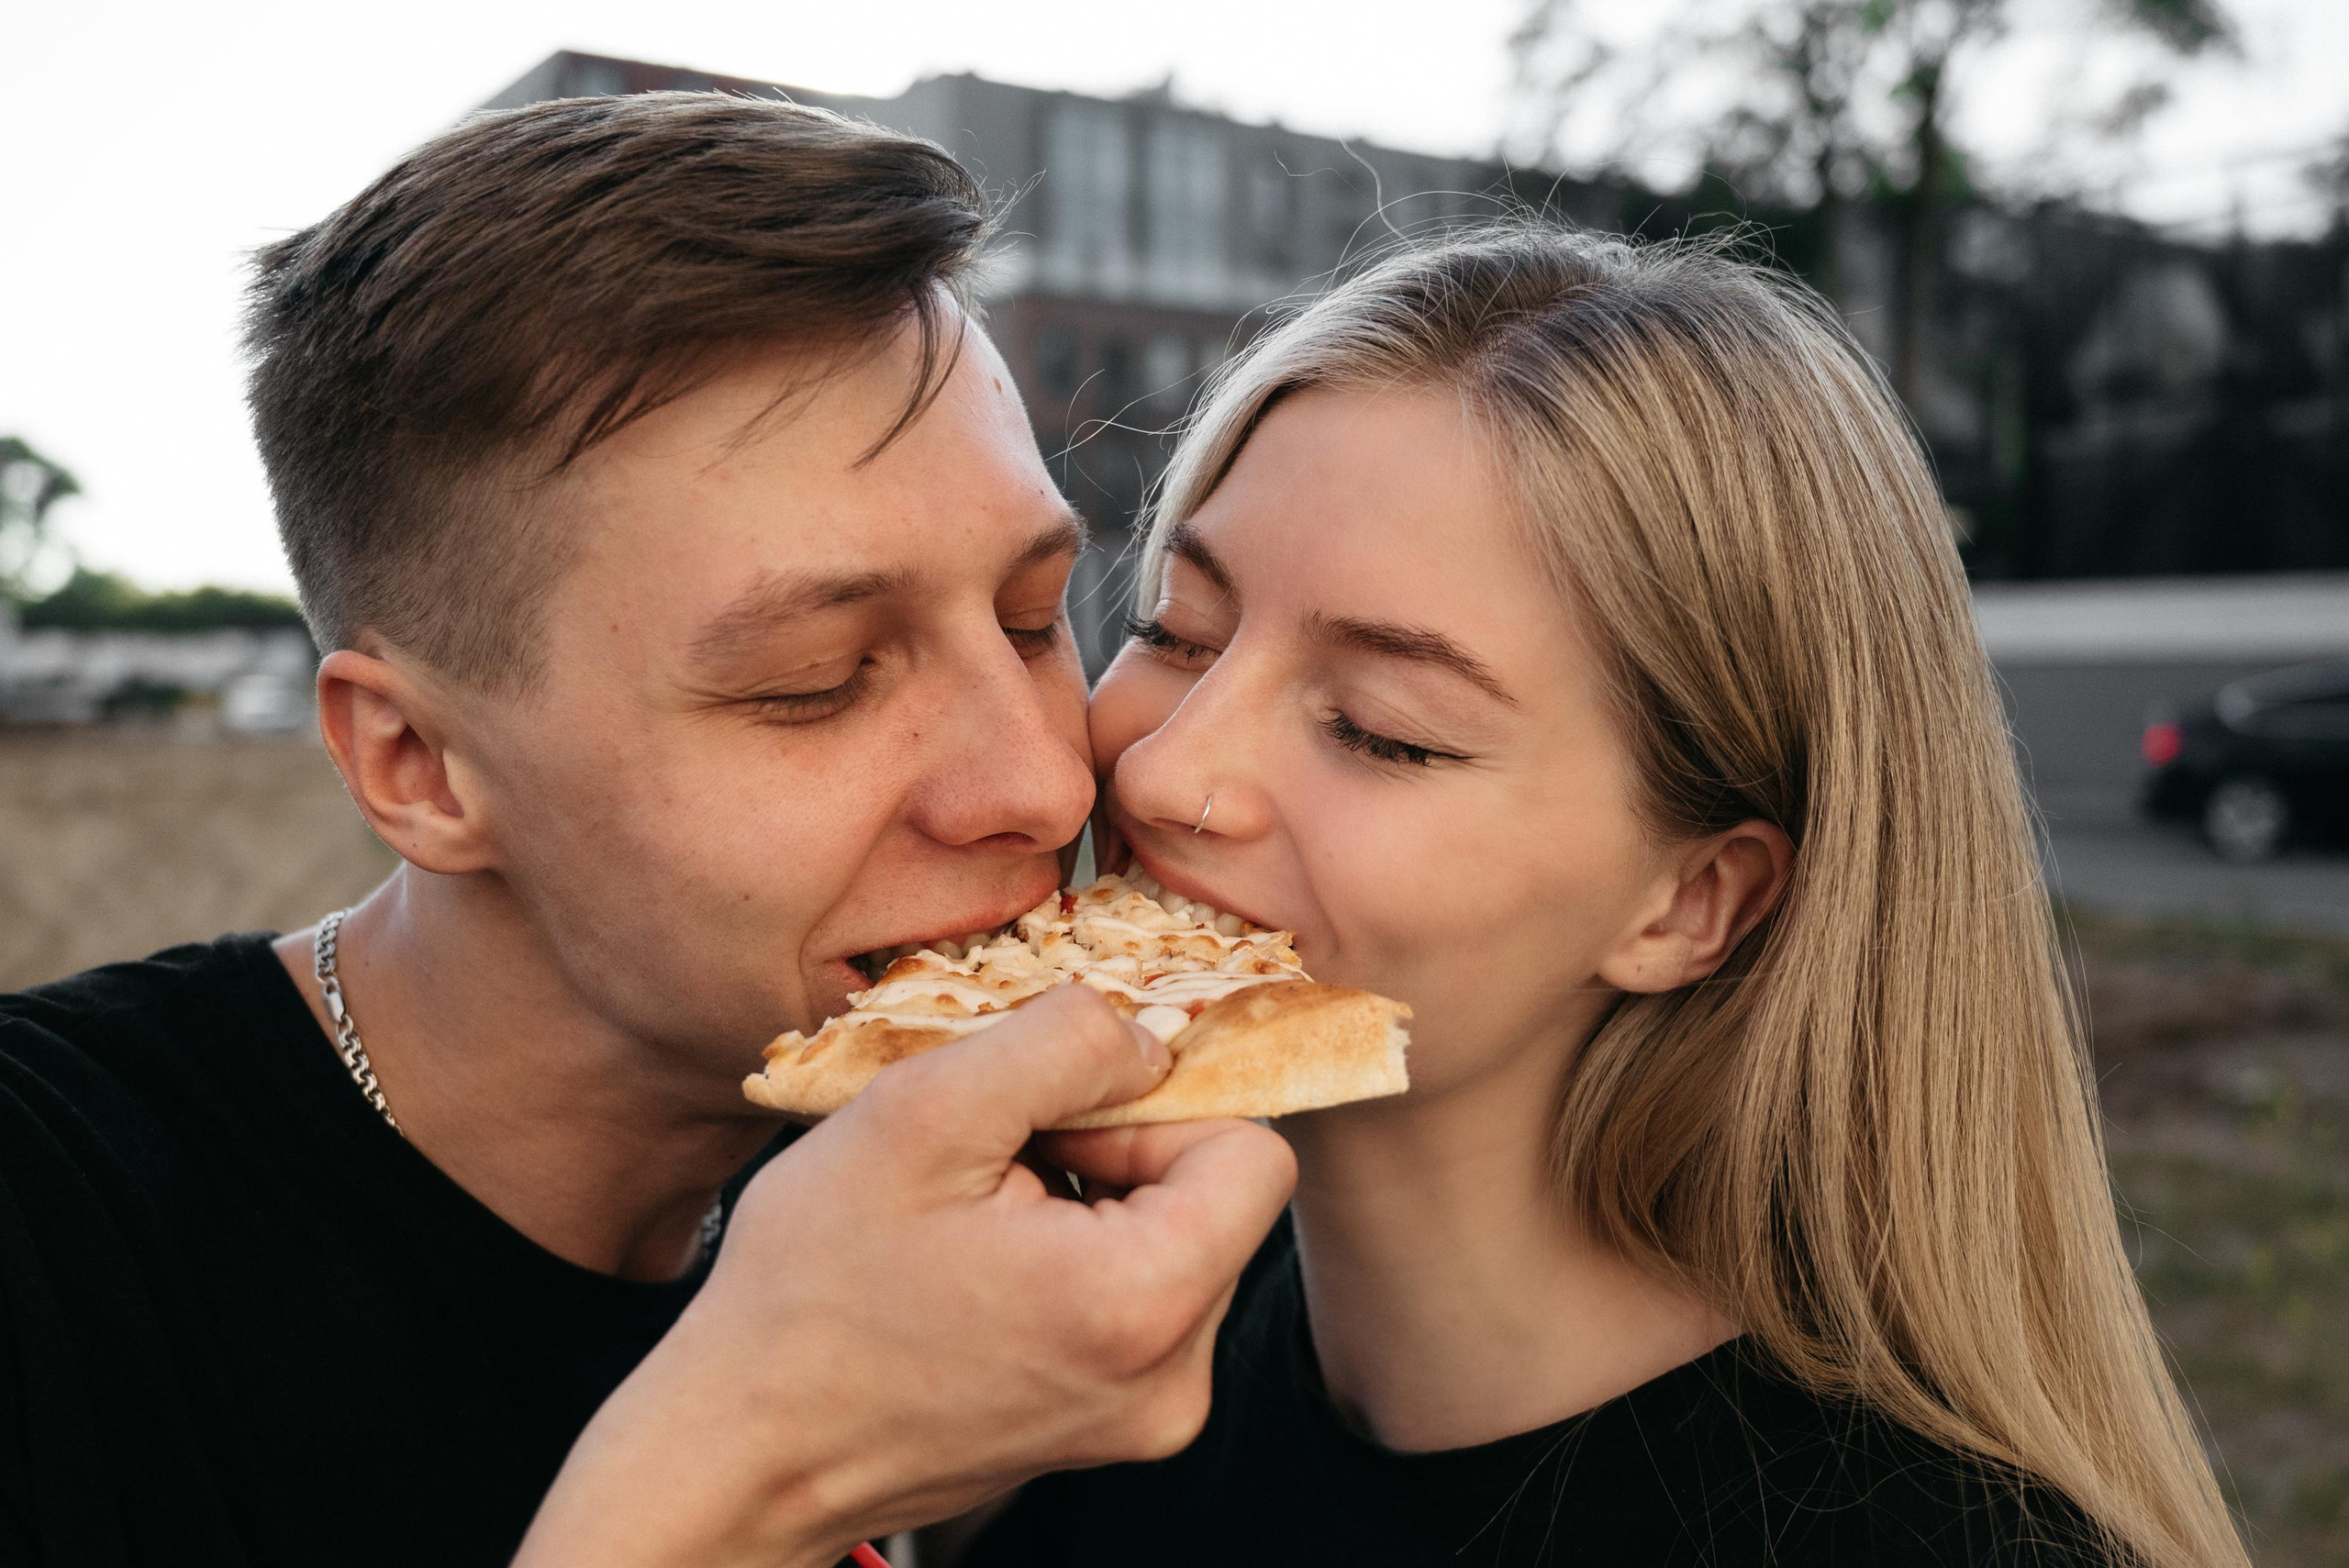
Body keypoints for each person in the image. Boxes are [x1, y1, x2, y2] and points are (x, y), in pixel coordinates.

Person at [0, 94, 1296, 1568]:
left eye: (1030, 616)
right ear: (418, 765)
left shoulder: (996, 1217)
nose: (1045, 786)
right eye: (817, 681)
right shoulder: (48, 1238)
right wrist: (763, 1465)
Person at [965, 225, 2251, 1567]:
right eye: (1177, 631)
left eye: (1383, 731)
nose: (1164, 771)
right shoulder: (1062, 1383)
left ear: (1691, 903)